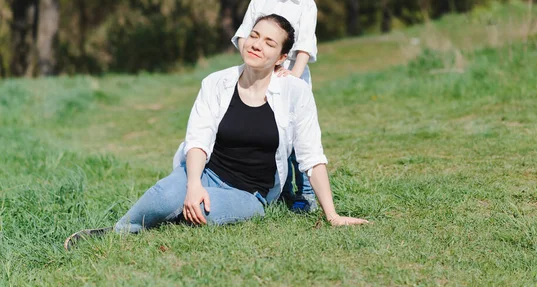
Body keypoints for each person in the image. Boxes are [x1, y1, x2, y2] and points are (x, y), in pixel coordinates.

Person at [64, 14, 367, 250]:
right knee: (162, 195)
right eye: (254, 35)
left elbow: (312, 157)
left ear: (281, 58)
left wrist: (332, 215)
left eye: (269, 43)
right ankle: (117, 232)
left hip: (251, 193)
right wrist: (194, 183)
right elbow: (198, 138)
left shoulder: (295, 93)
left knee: (202, 215)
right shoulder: (216, 83)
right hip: (206, 172)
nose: (257, 44)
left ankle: (171, 213)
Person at [232, 0, 318, 212]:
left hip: (291, 78)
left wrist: (293, 75)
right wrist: (253, 62)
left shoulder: (305, 5)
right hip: (260, 80)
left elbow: (304, 45)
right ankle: (277, 190)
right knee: (271, 136)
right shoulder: (260, 1)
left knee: (296, 139)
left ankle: (305, 194)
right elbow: (244, 35)